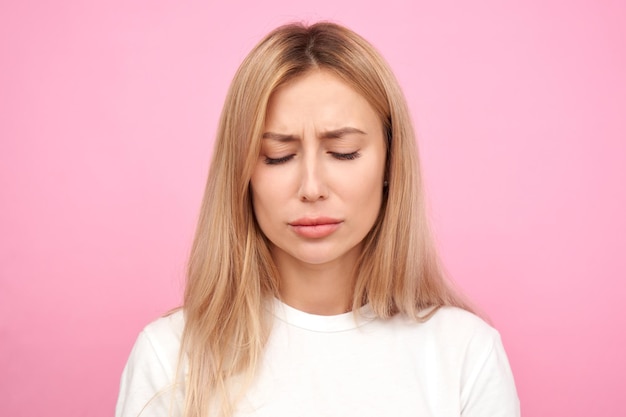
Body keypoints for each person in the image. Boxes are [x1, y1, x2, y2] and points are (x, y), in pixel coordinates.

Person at [116, 21, 520, 417]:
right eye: (277, 156)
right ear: (243, 175)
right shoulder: (169, 355)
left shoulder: (465, 353)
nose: (311, 187)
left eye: (343, 152)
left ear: (390, 164)